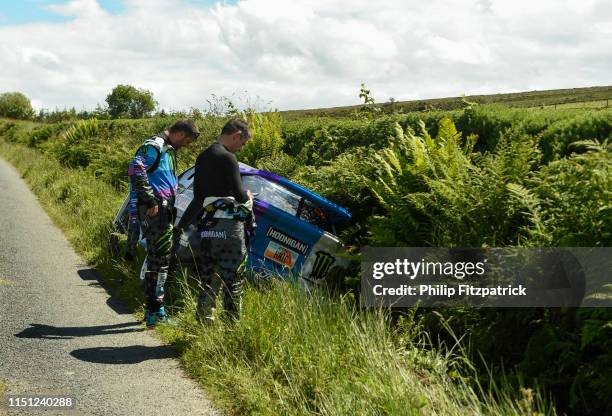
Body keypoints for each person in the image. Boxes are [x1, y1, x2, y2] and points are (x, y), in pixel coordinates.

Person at [175, 118, 253, 323]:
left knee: (208, 278)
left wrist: (180, 227)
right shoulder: (228, 158)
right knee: (233, 279)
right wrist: (248, 197)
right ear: (237, 135)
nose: (241, 148)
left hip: (208, 228)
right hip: (229, 230)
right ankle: (231, 326)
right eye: (242, 143)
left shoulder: (202, 157)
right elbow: (238, 194)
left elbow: (198, 198)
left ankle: (203, 322)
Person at [128, 119, 199, 327]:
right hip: (154, 209)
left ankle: (156, 309)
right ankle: (153, 311)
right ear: (180, 133)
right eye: (186, 140)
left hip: (164, 209)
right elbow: (135, 167)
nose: (186, 145)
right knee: (158, 259)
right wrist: (149, 198)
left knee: (162, 259)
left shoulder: (167, 149)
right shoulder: (154, 145)